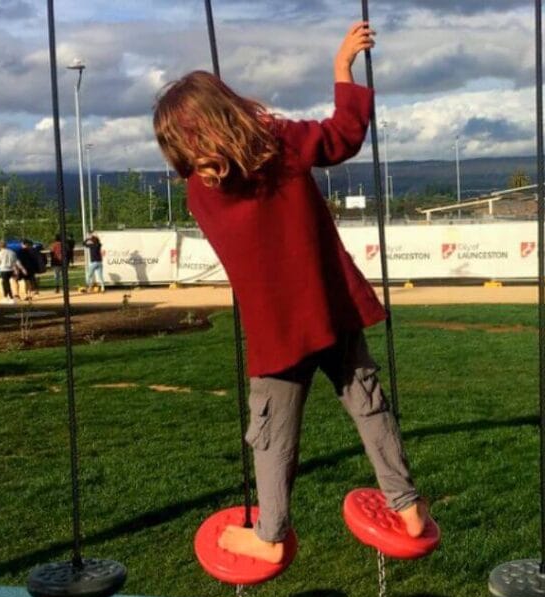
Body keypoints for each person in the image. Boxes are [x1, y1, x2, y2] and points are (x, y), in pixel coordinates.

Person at [153, 22, 431, 564]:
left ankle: (271, 533)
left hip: (278, 333)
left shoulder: (199, 194)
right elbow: (344, 136)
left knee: (273, 433)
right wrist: (341, 71)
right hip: (332, 310)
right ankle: (408, 504)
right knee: (368, 404)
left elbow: (226, 175)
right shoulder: (281, 145)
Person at [0, 240, 23, 304]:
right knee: (5, 283)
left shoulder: (0, 253)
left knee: (6, 284)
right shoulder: (12, 252)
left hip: (4, 270)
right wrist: (20, 269)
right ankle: (7, 297)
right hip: (11, 270)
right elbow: (16, 261)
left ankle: (9, 298)